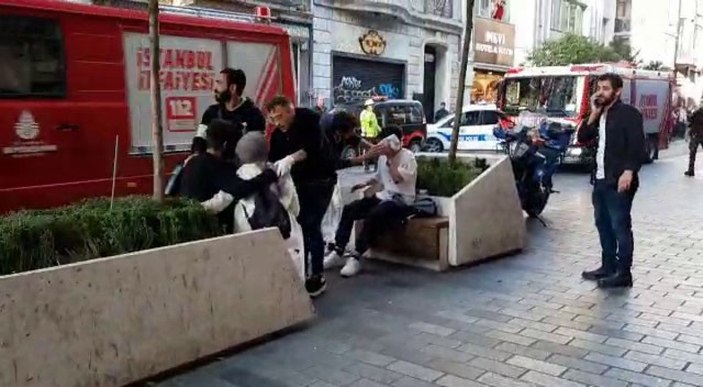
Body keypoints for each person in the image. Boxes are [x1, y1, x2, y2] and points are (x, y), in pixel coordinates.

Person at [266, 96, 338, 297]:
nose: (277, 122)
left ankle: (317, 275)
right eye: (272, 118)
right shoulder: (277, 134)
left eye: (280, 116)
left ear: (290, 111)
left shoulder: (309, 120)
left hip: (321, 179)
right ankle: (302, 271)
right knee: (301, 225)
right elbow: (273, 159)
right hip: (298, 183)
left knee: (312, 224)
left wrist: (291, 158)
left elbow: (311, 148)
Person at [577, 73, 645, 288]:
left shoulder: (628, 114)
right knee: (603, 224)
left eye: (606, 88)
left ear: (618, 91)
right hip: (600, 179)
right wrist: (594, 113)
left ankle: (624, 273)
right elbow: (583, 137)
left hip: (619, 180)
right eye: (599, 88)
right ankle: (608, 266)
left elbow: (637, 145)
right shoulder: (601, 114)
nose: (601, 92)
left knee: (620, 226)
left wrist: (629, 171)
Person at [324, 128, 418, 277]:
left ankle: (356, 255)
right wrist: (364, 183)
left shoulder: (408, 157)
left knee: (375, 214)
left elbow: (397, 179)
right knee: (350, 209)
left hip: (402, 200)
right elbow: (379, 177)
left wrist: (390, 159)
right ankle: (338, 249)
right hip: (384, 196)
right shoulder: (382, 158)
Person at [180, 119, 277, 233]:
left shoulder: (193, 161)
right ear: (226, 145)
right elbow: (240, 189)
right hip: (209, 228)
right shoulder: (217, 165)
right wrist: (268, 175)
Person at [233, 132, 305, 280]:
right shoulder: (279, 170)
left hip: (250, 233)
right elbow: (295, 208)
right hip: (285, 232)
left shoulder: (237, 176)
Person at [201, 68, 266, 161]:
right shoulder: (211, 112)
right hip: (213, 167)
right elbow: (200, 138)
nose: (214, 88)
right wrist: (195, 155)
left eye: (219, 83)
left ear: (232, 88)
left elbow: (256, 150)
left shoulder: (254, 115)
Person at [360, 99, 383, 172]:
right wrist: (380, 130)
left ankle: (366, 167)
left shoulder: (362, 113)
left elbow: (365, 124)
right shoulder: (371, 114)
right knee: (375, 151)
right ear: (367, 106)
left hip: (365, 135)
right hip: (372, 136)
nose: (372, 107)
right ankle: (376, 167)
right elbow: (374, 125)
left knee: (367, 152)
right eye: (371, 105)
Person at [685, 106, 703, 177]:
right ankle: (690, 170)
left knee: (692, 154)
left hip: (695, 135)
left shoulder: (696, 113)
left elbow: (690, 121)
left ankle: (691, 170)